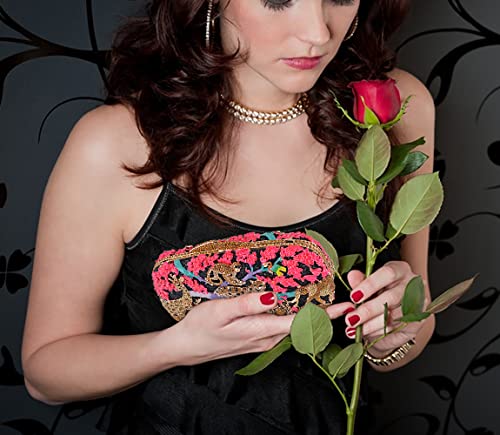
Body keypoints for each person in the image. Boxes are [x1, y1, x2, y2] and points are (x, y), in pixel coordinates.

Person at [21, 0, 437, 433]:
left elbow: (414, 327)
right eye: (279, 0)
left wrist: (392, 335)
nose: (317, 33)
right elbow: (45, 374)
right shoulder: (116, 143)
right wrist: (174, 347)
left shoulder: (395, 110)